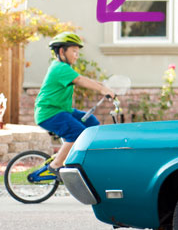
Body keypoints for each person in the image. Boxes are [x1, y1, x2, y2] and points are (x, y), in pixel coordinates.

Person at [32, 32, 116, 179]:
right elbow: (80, 80)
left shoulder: (64, 68)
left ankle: (80, 159)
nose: (77, 55)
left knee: (92, 123)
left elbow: (82, 79)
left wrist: (104, 87)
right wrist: (102, 89)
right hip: (49, 113)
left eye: (78, 52)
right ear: (61, 51)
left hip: (61, 111)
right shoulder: (59, 68)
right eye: (74, 51)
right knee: (77, 133)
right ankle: (56, 165)